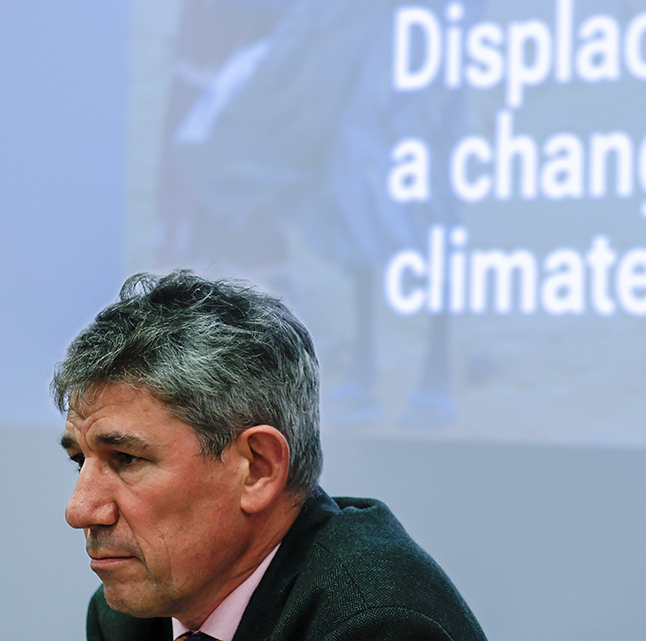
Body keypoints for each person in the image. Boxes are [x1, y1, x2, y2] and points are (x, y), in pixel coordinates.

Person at [54, 270, 487, 641]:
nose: (80, 510)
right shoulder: (128, 618)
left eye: (126, 459)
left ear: (258, 469)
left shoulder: (377, 622)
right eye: (80, 460)